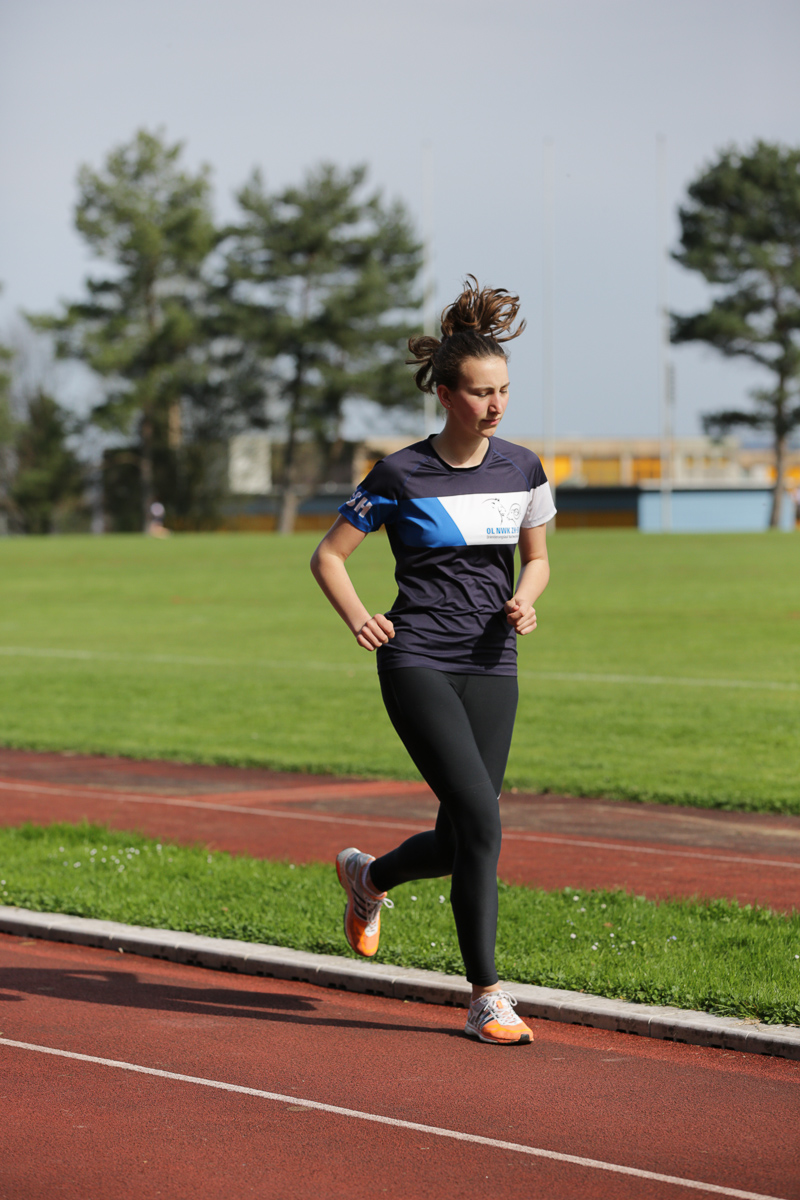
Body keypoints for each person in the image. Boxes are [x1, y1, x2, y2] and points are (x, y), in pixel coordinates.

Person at [310, 277, 555, 1045]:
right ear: (445, 394)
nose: (495, 405)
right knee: (483, 821)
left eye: (503, 390)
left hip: (493, 664)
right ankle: (487, 997)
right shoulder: (399, 474)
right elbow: (328, 555)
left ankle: (369, 877)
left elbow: (538, 559)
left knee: (460, 840)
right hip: (416, 658)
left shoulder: (523, 468)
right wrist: (360, 617)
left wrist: (527, 600)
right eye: (480, 392)